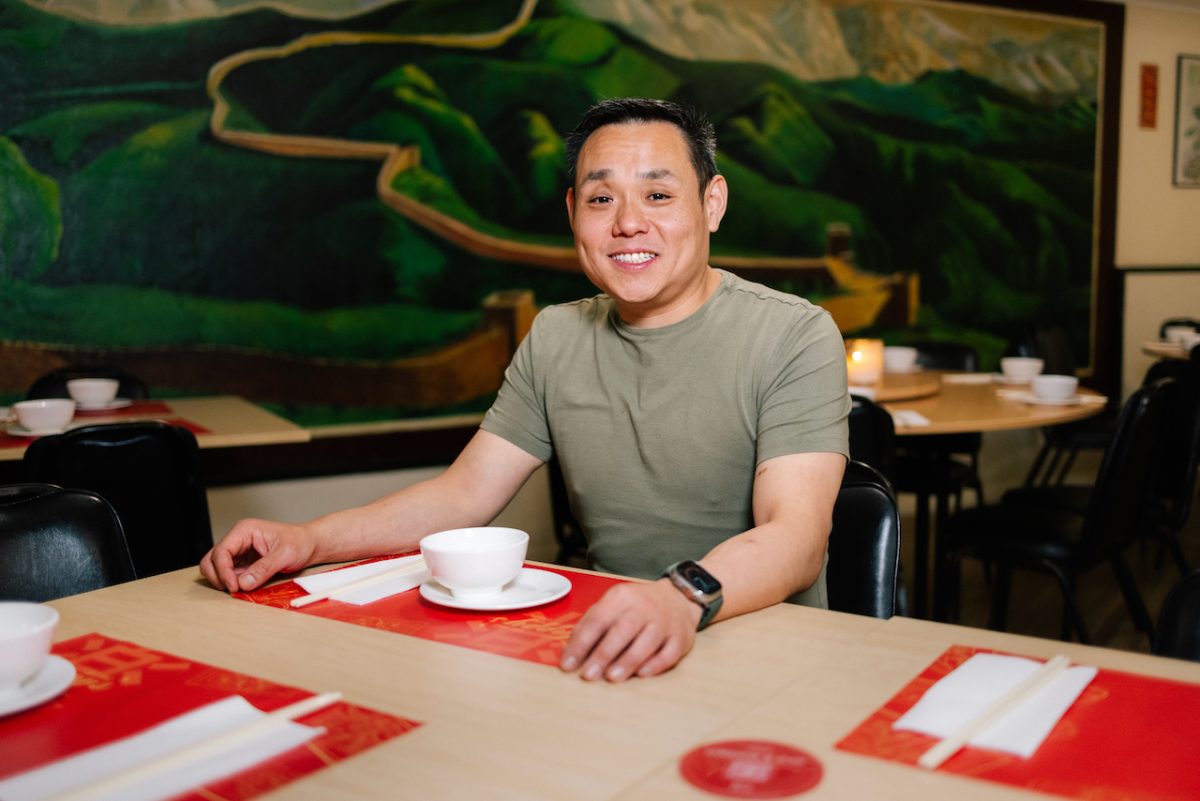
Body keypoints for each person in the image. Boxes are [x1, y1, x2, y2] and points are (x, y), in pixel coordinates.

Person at [201, 97, 850, 682]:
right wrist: (309, 541)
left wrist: (678, 596)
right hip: (611, 652)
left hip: (762, 652)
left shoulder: (794, 334)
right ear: (573, 214)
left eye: (658, 195)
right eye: (601, 199)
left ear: (712, 204)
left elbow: (795, 535)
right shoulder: (556, 336)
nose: (627, 223)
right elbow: (460, 495)